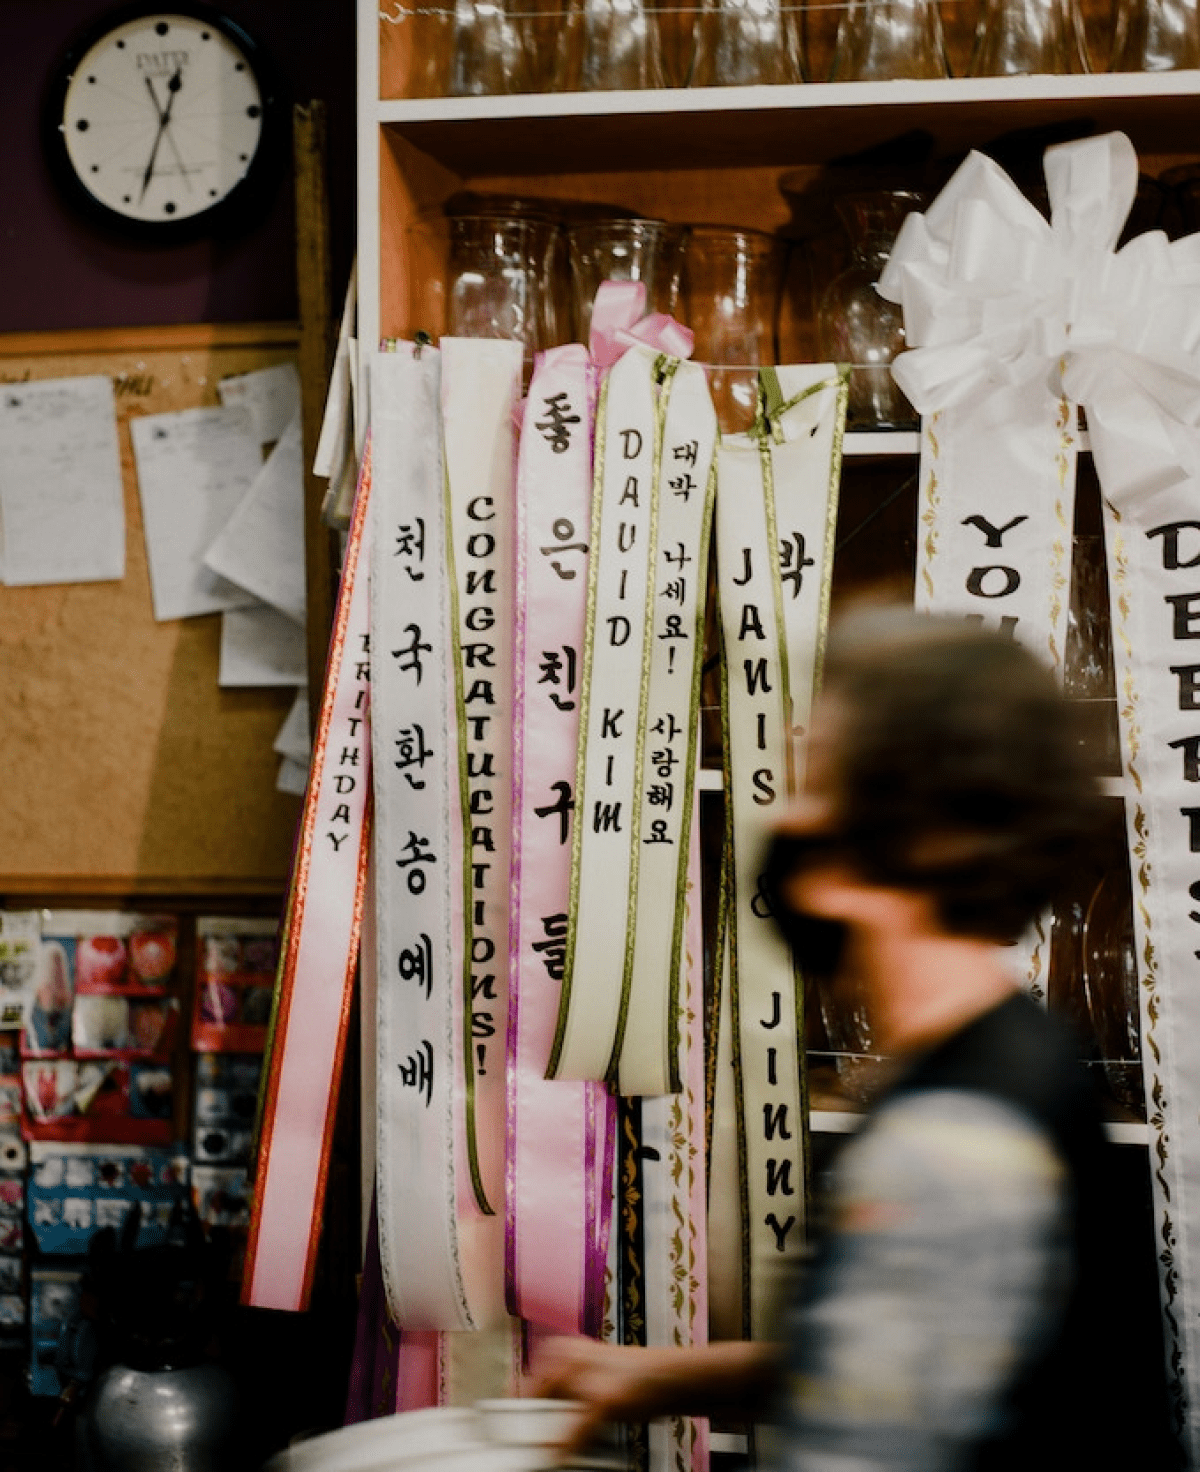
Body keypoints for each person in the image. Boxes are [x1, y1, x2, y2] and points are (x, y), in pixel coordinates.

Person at [535, 606, 1182, 1471]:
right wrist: (654, 1380)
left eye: (822, 784)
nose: (792, 822)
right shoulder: (998, 1058)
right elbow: (904, 1350)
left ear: (922, 836)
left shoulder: (951, 1142)